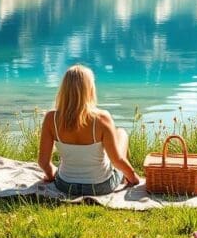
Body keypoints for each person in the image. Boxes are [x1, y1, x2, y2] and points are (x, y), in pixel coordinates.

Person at [38, 64, 140, 196]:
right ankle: (127, 176)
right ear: (89, 89)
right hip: (99, 186)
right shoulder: (101, 118)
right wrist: (133, 178)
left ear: (64, 89)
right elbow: (117, 160)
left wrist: (51, 175)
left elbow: (43, 162)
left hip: (65, 185)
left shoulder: (51, 118)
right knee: (121, 133)